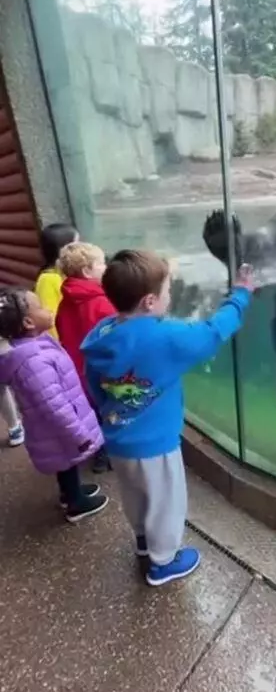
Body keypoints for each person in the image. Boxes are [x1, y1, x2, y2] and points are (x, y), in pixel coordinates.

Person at [82, 249, 254, 587]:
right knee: (166, 502)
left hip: (118, 440)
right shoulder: (165, 337)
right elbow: (213, 332)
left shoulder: (102, 334)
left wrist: (111, 417)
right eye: (167, 292)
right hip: (156, 444)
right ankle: (163, 563)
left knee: (135, 495)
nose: (169, 297)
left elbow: (94, 386)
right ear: (149, 301)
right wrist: (241, 295)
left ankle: (145, 541)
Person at [0, 287, 109, 522]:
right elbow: (54, 406)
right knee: (66, 458)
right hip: (60, 428)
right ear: (29, 322)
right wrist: (79, 435)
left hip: (54, 429)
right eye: (40, 306)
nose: (47, 309)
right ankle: (75, 504)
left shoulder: (34, 347)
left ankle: (69, 493)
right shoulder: (34, 362)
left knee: (65, 461)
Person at [55, 242, 116, 474]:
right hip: (102, 372)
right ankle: (109, 452)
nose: (106, 267)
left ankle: (99, 451)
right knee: (109, 410)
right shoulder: (101, 302)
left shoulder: (66, 301)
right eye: (101, 264)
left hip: (77, 371)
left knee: (93, 409)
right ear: (87, 272)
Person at [35, 223, 79, 340]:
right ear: (63, 250)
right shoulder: (49, 279)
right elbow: (50, 320)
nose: (81, 248)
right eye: (77, 244)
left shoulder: (65, 274)